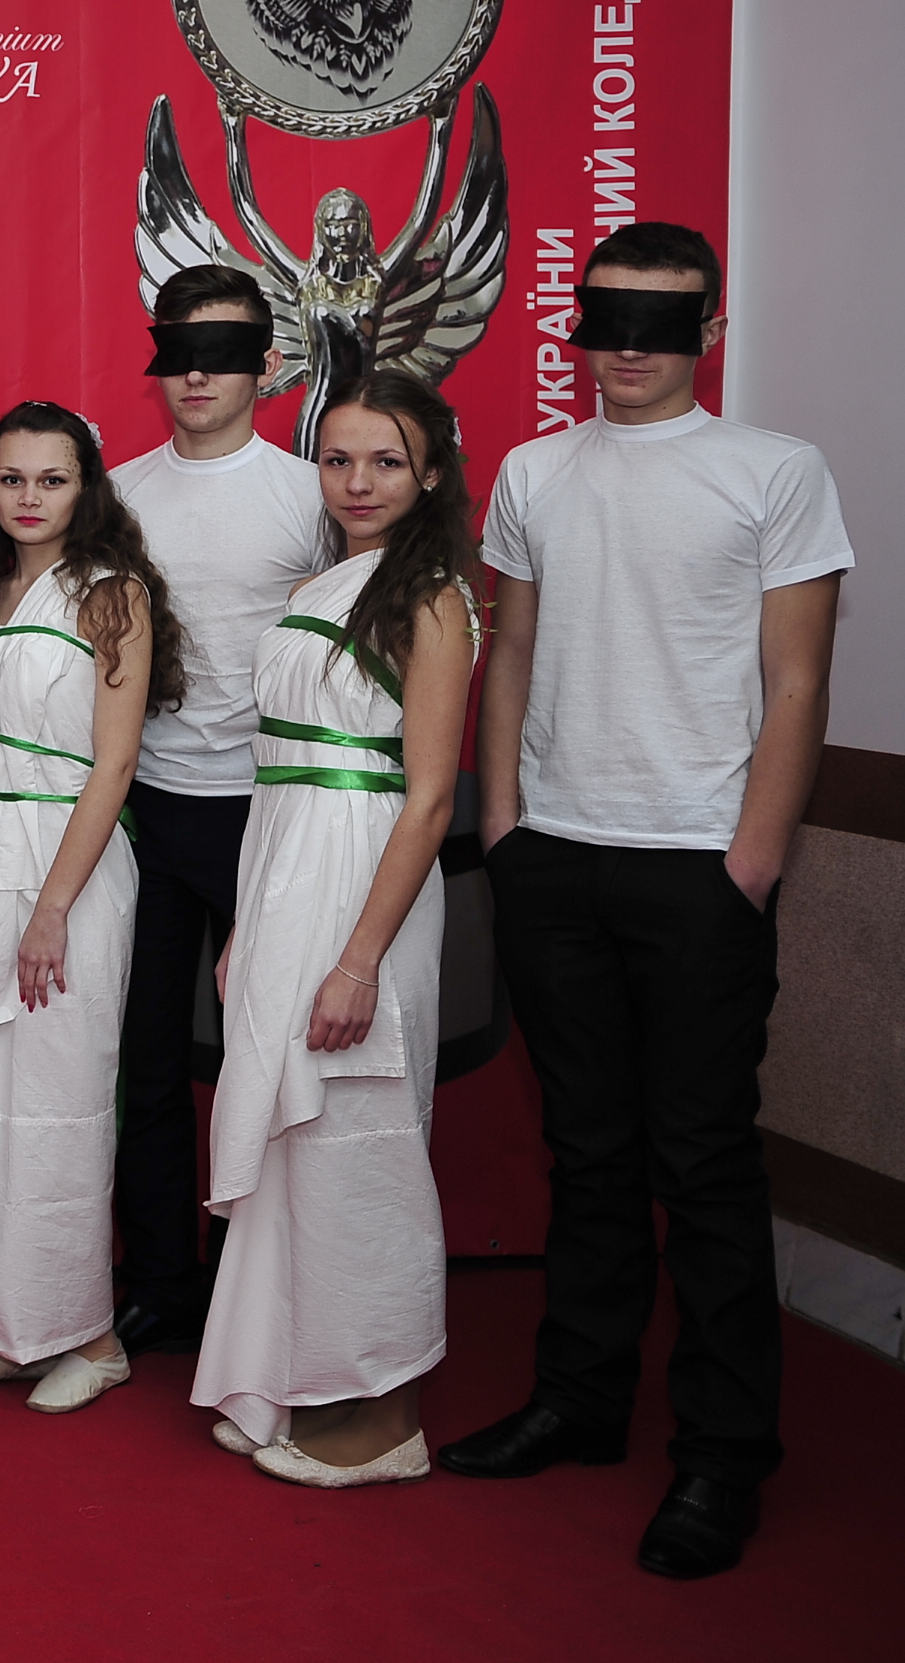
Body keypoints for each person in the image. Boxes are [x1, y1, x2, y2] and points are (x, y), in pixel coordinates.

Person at [445, 222, 849, 1581]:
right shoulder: (534, 469)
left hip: (698, 865)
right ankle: (581, 1398)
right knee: (588, 1152)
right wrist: (505, 827)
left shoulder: (775, 471)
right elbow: (510, 651)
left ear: (709, 333)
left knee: (705, 1161)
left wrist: (752, 860)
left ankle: (724, 1454)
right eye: (606, 317)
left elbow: (798, 679)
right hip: (552, 854)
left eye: (661, 322)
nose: (627, 346)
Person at [193, 368, 479, 1486]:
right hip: (284, 870)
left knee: (360, 1137)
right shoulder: (320, 581)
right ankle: (284, 1377)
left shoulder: (432, 597)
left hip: (368, 883)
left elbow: (430, 797)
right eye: (339, 458)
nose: (359, 481)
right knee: (289, 1139)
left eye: (387, 461)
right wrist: (249, 924)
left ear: (432, 473)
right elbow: (279, 771)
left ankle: (384, 1415)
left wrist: (359, 960)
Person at [0, 402, 181, 1415]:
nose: (29, 497)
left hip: (72, 860)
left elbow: (113, 763)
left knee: (62, 1098)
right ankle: (4, 1321)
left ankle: (92, 1336)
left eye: (52, 479)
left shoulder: (112, 594)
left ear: (86, 489)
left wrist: (53, 905)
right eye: (12, 478)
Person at [104, 268, 326, 1354]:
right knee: (141, 1060)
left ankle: (256, 1291)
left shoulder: (312, 494)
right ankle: (159, 1281)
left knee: (268, 1060)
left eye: (223, 352)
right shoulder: (116, 494)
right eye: (178, 351)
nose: (196, 373)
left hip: (271, 813)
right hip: (142, 809)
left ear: (268, 365)